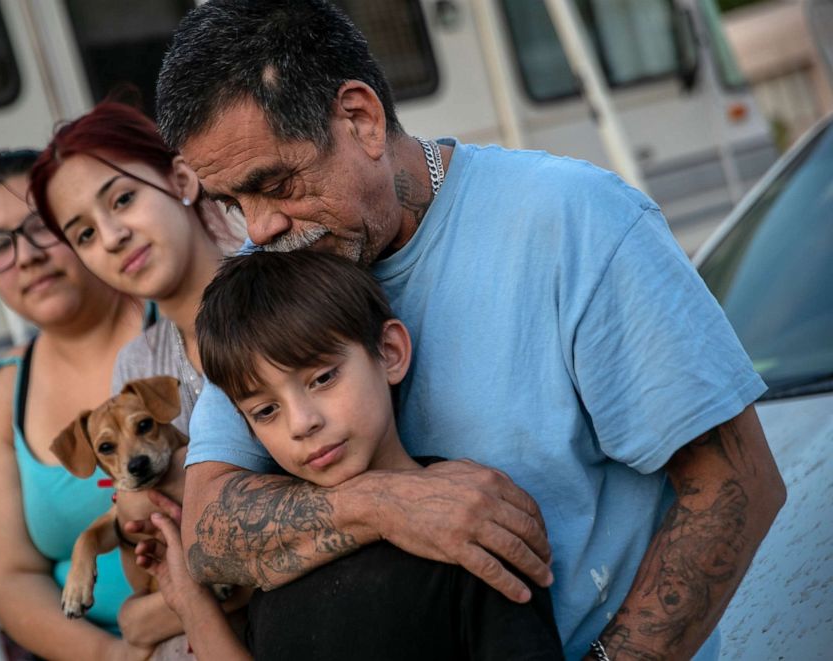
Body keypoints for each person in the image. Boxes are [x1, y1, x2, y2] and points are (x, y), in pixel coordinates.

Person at [152, 1, 787, 659]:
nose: (258, 230)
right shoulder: (269, 281)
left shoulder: (573, 220)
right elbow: (207, 532)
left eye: (276, 184)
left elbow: (736, 484)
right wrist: (389, 502)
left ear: (360, 118)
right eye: (232, 203)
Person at [185, 249, 562, 659]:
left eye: (323, 378)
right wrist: (190, 603)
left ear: (389, 352)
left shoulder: (471, 516)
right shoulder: (273, 563)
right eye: (265, 411)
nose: (301, 423)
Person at [26, 101, 249, 654]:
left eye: (122, 198)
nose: (112, 237)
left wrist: (148, 618)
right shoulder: (137, 365)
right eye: (83, 234)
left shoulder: (279, 297)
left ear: (180, 178)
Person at [0, 150, 171, 659]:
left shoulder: (168, 323)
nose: (27, 256)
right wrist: (113, 656)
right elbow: (11, 578)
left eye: (40, 227)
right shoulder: (2, 392)